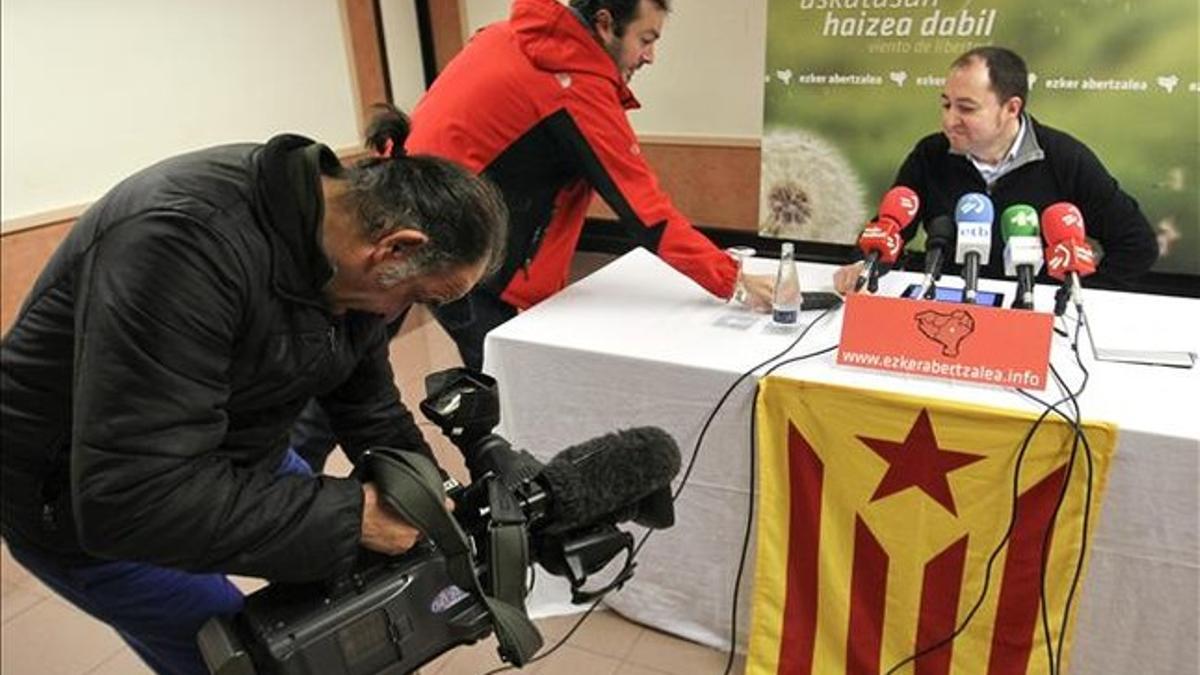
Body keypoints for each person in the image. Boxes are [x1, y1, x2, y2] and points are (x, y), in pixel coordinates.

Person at [0, 110, 507, 674]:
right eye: (420, 294)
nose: (405, 311)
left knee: (369, 580)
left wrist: (426, 492)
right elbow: (132, 500)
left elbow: (366, 401)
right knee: (243, 658)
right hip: (82, 504)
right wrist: (352, 517)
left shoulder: (346, 239)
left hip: (231, 452)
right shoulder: (180, 243)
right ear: (395, 249)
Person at [405, 0, 775, 370]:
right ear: (604, 24)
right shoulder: (572, 85)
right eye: (645, 39)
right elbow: (647, 214)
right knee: (508, 379)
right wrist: (733, 278)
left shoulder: (509, 37)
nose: (650, 57)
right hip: (455, 244)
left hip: (413, 207)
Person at [833, 46, 1158, 294]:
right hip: (944, 308)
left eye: (966, 108)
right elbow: (890, 231)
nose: (948, 120)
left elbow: (1136, 245)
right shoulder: (930, 154)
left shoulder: (1064, 158)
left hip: (1034, 318)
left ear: (1011, 108)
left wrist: (1072, 297)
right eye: (946, 104)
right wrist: (862, 266)